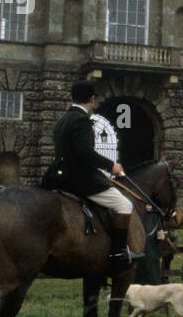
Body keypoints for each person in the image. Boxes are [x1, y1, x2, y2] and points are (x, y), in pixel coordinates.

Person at [42, 80, 137, 271]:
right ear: (92, 99)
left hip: (56, 176)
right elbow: (85, 153)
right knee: (124, 204)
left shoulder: (62, 120)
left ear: (72, 97)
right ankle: (118, 252)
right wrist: (112, 166)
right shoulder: (81, 119)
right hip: (79, 178)